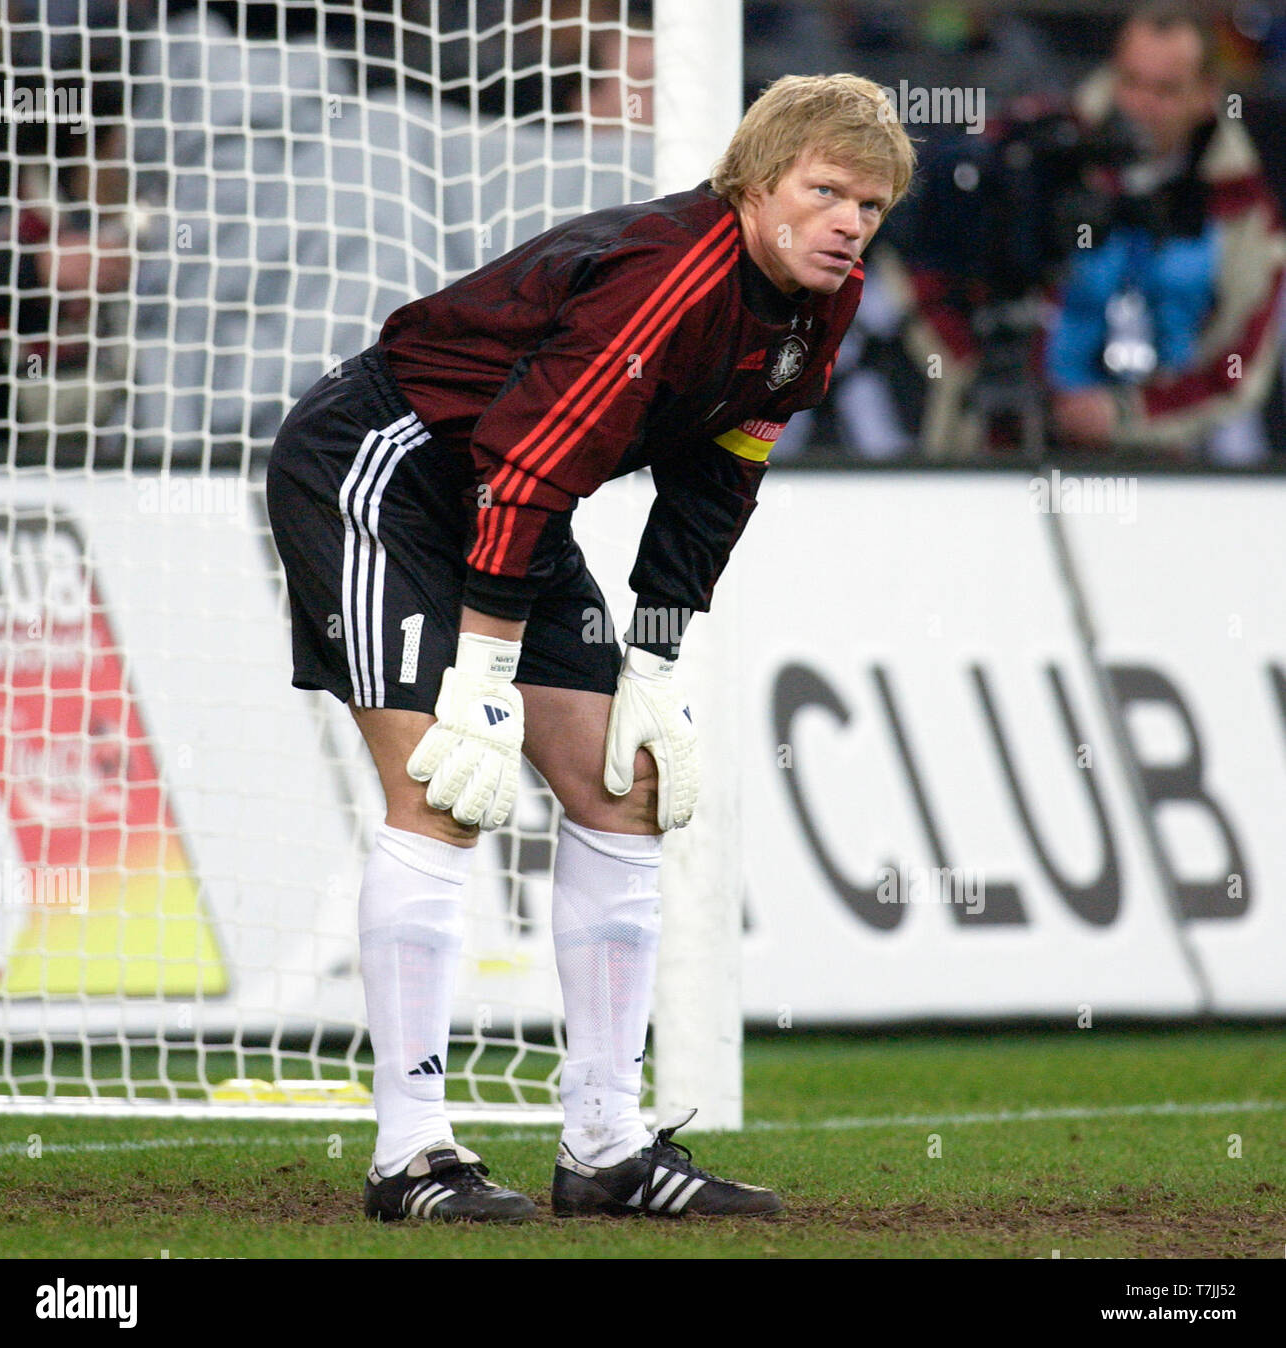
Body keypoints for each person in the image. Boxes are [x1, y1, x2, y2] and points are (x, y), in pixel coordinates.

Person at [266, 73, 914, 1222]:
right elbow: (523, 463)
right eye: (826, 192)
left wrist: (653, 667)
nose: (849, 223)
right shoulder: (668, 277)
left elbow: (715, 485)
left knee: (631, 784)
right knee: (444, 788)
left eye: (869, 203)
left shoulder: (825, 297)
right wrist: (479, 678)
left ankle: (606, 1146)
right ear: (757, 185)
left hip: (505, 497)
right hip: (382, 468)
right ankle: (410, 1153)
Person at [1047, 2, 1286, 456]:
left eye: (1166, 90)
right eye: (1132, 82)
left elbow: (1239, 369)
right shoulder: (1046, 159)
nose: (1142, 106)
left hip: (1173, 459)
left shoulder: (1244, 209)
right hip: (1018, 446)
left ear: (1206, 95)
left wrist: (1127, 415)